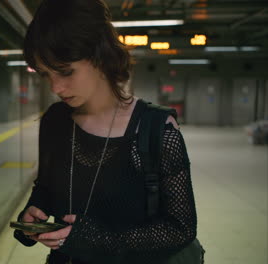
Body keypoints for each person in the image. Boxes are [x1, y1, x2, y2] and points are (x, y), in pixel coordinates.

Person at [13, 0, 199, 263]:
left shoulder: (154, 131)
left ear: (100, 55)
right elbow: (46, 187)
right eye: (45, 74)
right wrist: (35, 212)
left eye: (65, 72)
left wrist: (101, 239)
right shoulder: (55, 120)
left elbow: (181, 229)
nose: (55, 87)